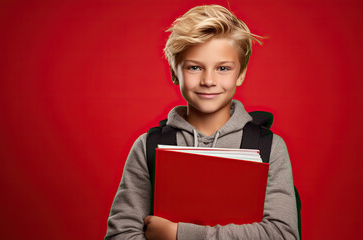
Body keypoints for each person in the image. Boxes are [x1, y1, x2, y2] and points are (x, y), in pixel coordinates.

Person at [105, 4, 299, 240]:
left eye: (223, 68)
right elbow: (121, 234)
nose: (208, 80)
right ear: (175, 72)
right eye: (194, 67)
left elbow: (282, 235)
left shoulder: (270, 147)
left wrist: (179, 234)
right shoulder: (148, 146)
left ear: (241, 73)